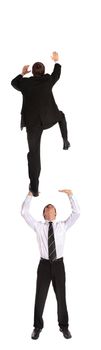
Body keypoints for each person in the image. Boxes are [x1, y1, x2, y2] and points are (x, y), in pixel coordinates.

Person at [21, 188, 80, 340]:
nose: (50, 210)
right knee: (40, 297)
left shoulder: (62, 226)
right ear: (44, 214)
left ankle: (64, 327)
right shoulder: (39, 226)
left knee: (61, 297)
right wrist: (30, 194)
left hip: (59, 265)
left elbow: (76, 213)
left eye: (52, 209)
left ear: (55, 214)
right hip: (44, 266)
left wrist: (70, 195)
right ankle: (37, 327)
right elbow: (24, 213)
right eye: (47, 209)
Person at [11, 52, 70, 196]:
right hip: (49, 118)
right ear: (43, 72)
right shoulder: (48, 80)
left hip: (33, 124)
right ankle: (65, 141)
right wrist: (56, 61)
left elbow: (13, 83)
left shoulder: (24, 84)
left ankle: (35, 188)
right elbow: (57, 73)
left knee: (34, 154)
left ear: (33, 72)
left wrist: (22, 73)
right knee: (61, 116)